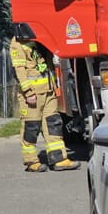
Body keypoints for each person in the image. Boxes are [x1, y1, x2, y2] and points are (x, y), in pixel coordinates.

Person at [9, 36, 80, 172]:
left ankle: (59, 159)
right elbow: (19, 70)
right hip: (32, 94)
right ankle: (31, 161)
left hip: (48, 91)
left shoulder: (41, 37)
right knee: (31, 128)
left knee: (53, 125)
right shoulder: (18, 42)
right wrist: (28, 92)